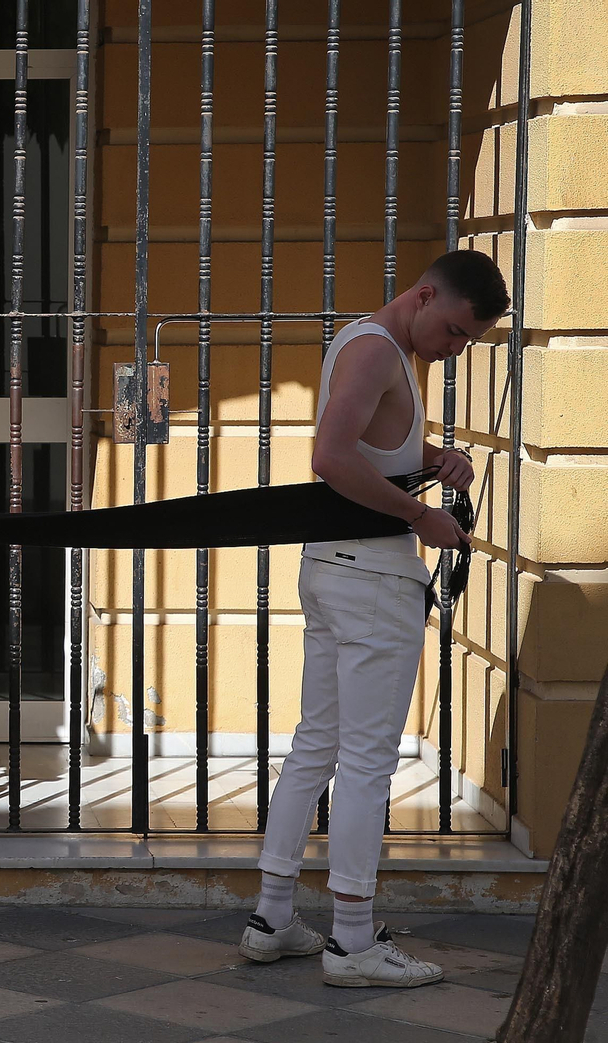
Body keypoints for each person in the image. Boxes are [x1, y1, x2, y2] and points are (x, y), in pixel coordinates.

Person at [238, 250, 508, 987]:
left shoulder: (366, 341)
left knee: (317, 745)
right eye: (455, 331)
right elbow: (330, 455)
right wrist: (421, 513)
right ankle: (352, 939)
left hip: (333, 570)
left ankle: (272, 917)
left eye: (468, 341)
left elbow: (369, 445)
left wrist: (431, 456)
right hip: (372, 579)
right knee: (364, 761)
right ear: (424, 296)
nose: (456, 348)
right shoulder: (378, 350)